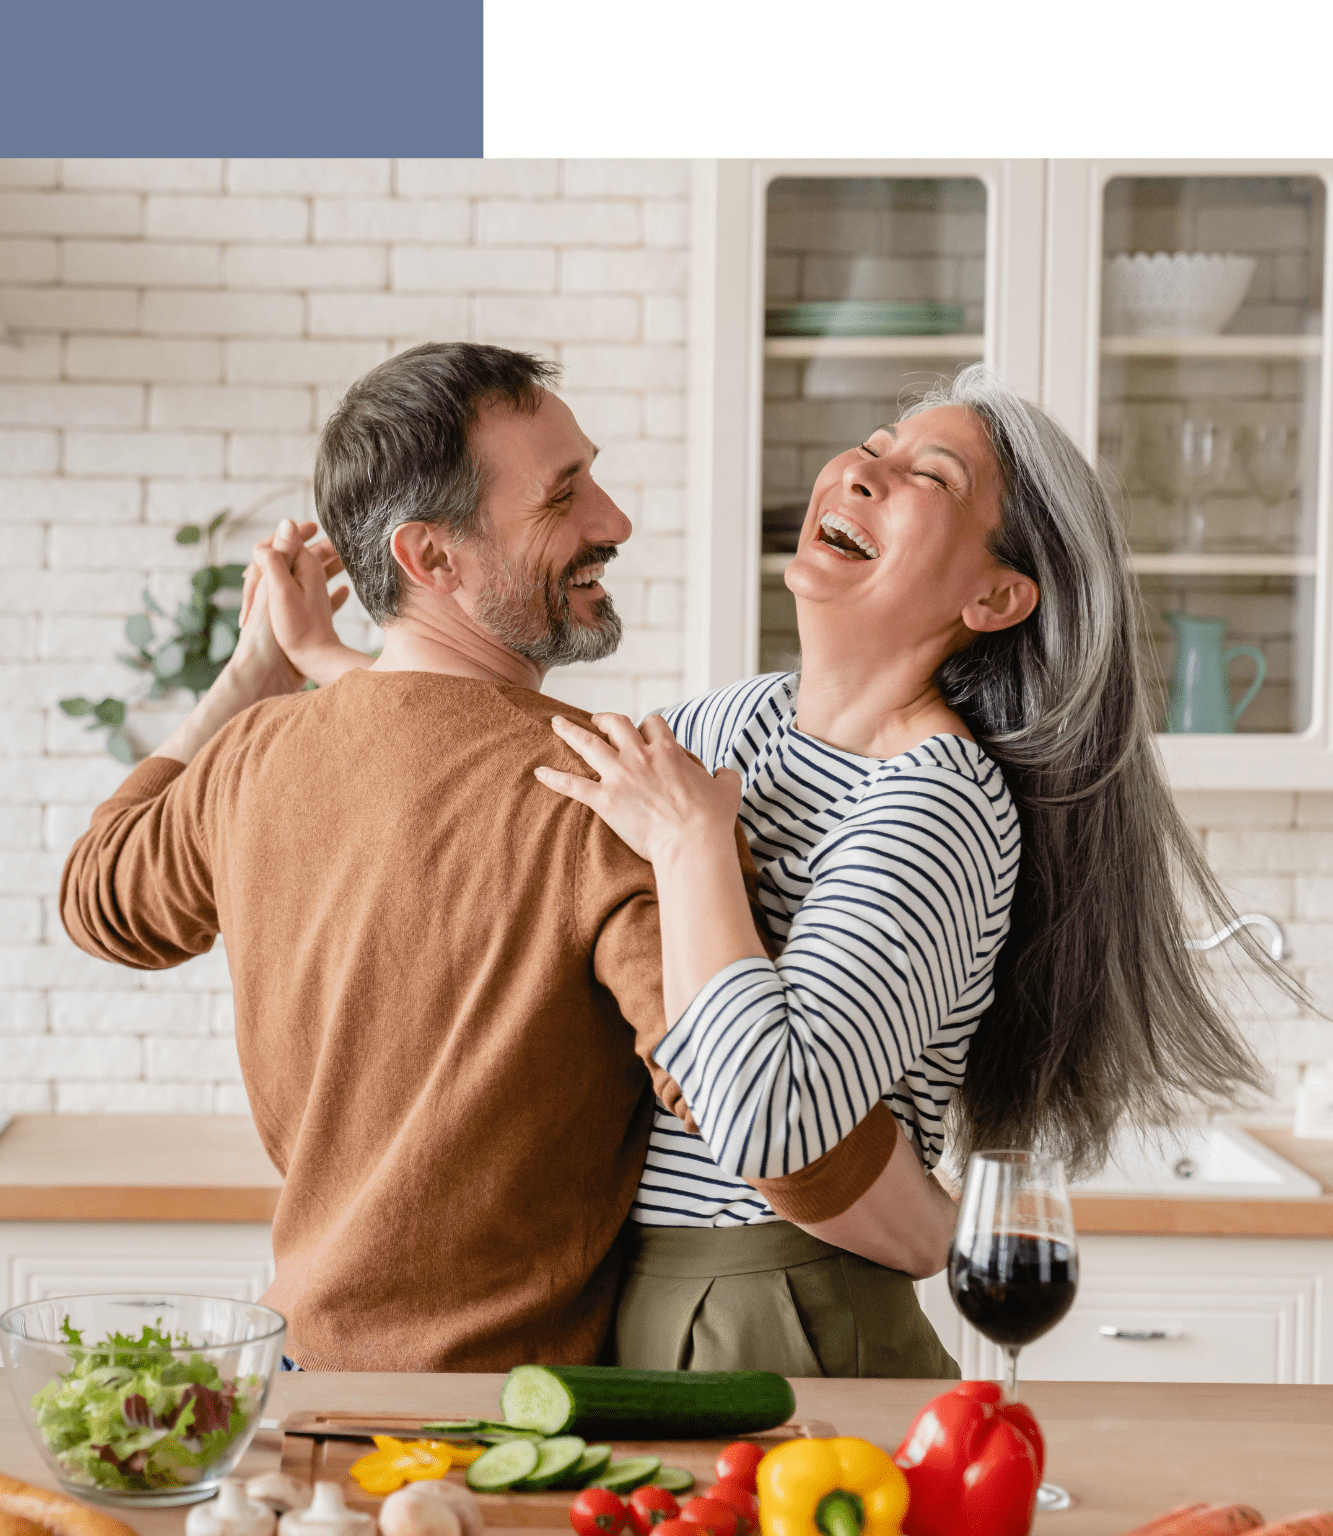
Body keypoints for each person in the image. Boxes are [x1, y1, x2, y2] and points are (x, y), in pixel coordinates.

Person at [256, 363, 1284, 1377]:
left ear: (993, 595)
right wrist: (330, 660)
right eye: (874, 447)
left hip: (781, 1306)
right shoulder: (733, 721)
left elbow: (770, 1121)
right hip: (636, 1296)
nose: (860, 470)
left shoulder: (934, 804)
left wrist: (696, 848)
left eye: (928, 477)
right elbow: (514, 763)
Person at [59, 342, 950, 1376]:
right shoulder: (600, 797)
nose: (611, 521)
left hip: (299, 1384)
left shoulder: (253, 757)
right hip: (496, 1422)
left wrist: (250, 673)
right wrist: (937, 1232)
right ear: (430, 559)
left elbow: (99, 898)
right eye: (562, 498)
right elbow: (757, 1115)